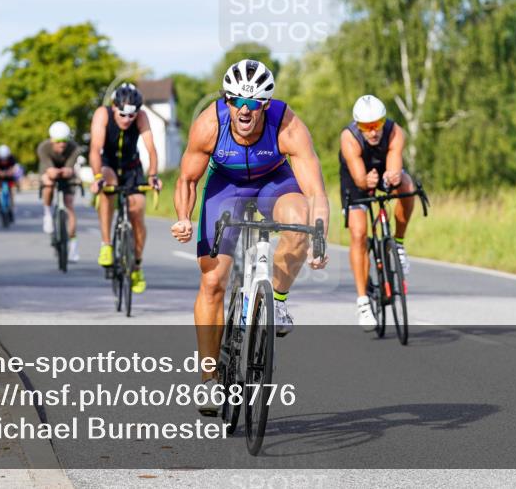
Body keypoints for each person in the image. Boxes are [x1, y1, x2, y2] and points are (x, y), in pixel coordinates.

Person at [171, 59, 329, 409]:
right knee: (213, 280)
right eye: (237, 101)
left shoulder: (287, 126)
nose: (244, 109)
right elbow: (187, 180)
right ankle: (209, 379)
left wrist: (319, 238)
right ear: (227, 100)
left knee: (299, 222)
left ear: (265, 104)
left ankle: (279, 300)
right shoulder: (209, 125)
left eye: (253, 103)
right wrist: (183, 218)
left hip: (274, 182)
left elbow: (316, 191)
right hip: (226, 187)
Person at [339, 94, 418, 331]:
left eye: (377, 125)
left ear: (384, 121)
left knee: (407, 186)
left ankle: (399, 244)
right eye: (366, 127)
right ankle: (363, 302)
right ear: (358, 125)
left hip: (383, 169)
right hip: (356, 177)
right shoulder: (349, 138)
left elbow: (394, 165)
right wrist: (366, 182)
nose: (373, 132)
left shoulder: (395, 132)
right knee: (358, 233)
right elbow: (359, 179)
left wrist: (391, 178)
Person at [89, 83, 161, 293]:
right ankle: (106, 244)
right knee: (108, 187)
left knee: (137, 210)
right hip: (108, 165)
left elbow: (151, 149)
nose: (127, 119)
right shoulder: (102, 114)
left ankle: (137, 264)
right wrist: (97, 177)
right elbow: (95, 149)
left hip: (131, 167)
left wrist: (153, 175)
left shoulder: (141, 116)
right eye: (122, 114)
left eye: (132, 115)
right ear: (114, 107)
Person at [37, 121, 81, 263]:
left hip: (67, 172)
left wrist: (67, 171)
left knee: (69, 205)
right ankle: (47, 213)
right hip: (50, 170)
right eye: (58, 141)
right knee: (48, 183)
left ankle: (73, 244)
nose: (62, 144)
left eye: (65, 141)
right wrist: (52, 173)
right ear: (52, 140)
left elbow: (69, 169)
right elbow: (49, 170)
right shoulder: (43, 148)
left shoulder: (74, 148)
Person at [0, 144, 18, 222]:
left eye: (5, 159)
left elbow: (14, 168)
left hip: (9, 177)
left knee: (11, 190)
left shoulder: (11, 158)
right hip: (0, 177)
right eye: (2, 159)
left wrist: (10, 172)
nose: (4, 161)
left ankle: (11, 206)